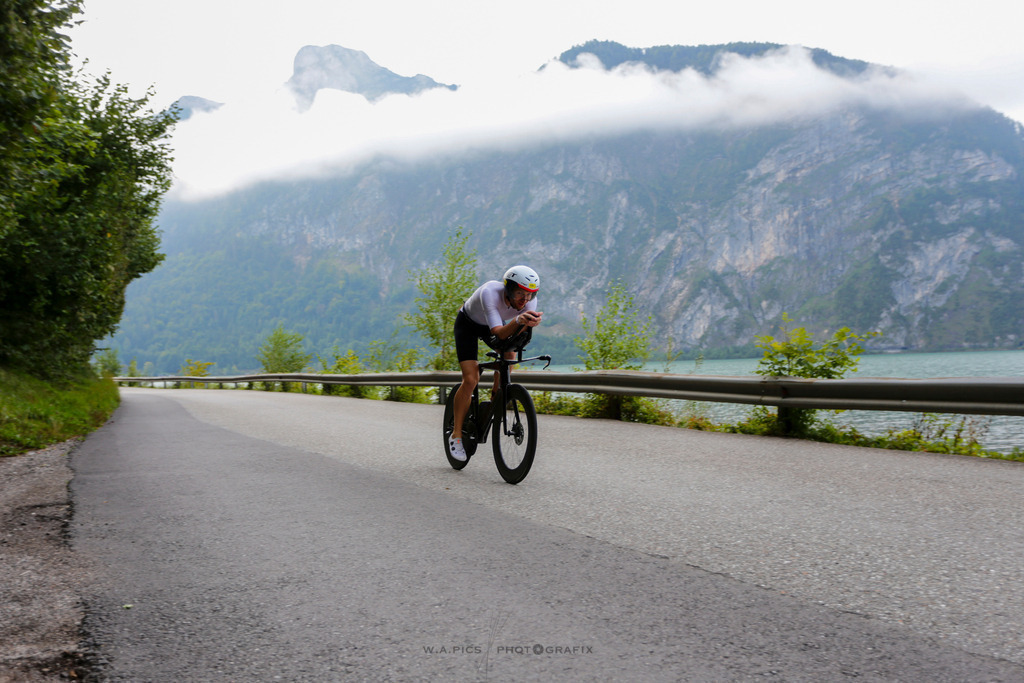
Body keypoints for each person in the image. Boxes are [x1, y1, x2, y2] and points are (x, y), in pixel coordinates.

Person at [448, 265, 543, 462]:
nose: (525, 300)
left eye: (530, 296)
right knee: (471, 378)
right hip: (468, 325)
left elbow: (515, 337)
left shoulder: (529, 303)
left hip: (497, 326)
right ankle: (456, 434)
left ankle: (495, 400)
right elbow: (499, 332)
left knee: (508, 359)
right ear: (508, 289)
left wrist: (527, 325)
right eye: (519, 294)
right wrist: (519, 320)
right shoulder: (490, 292)